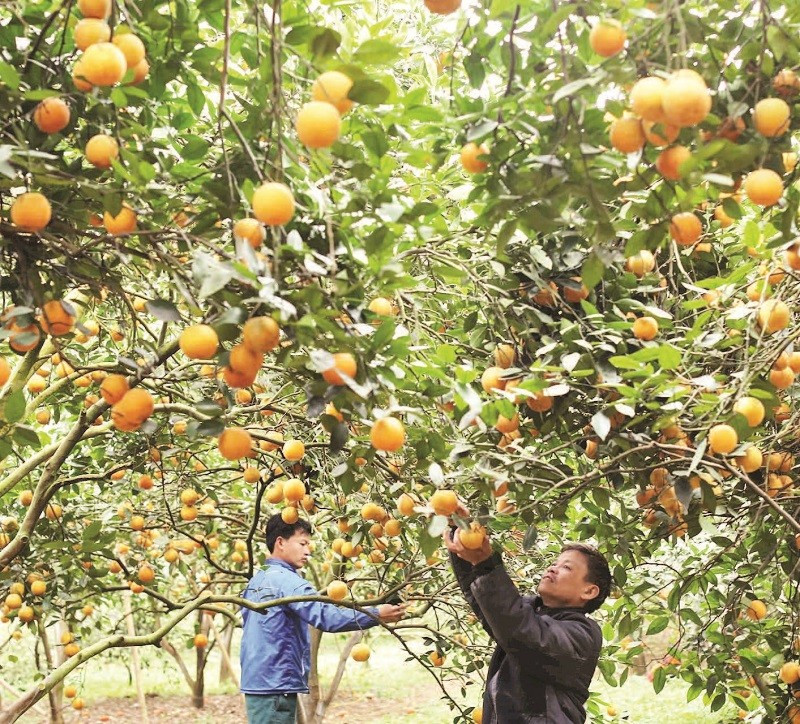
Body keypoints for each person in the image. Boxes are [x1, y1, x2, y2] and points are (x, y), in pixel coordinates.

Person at [444, 502, 612, 723]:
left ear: (589, 590)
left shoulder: (582, 635)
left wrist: (485, 563)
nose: (552, 568)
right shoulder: (531, 613)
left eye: (567, 567)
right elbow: (487, 602)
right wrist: (462, 531)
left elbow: (520, 628)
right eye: (554, 563)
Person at [240, 514, 406, 724]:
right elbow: (326, 616)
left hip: (261, 681)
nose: (308, 551)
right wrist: (377, 613)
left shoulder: (259, 578)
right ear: (280, 542)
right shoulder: (288, 581)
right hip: (275, 683)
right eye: (302, 543)